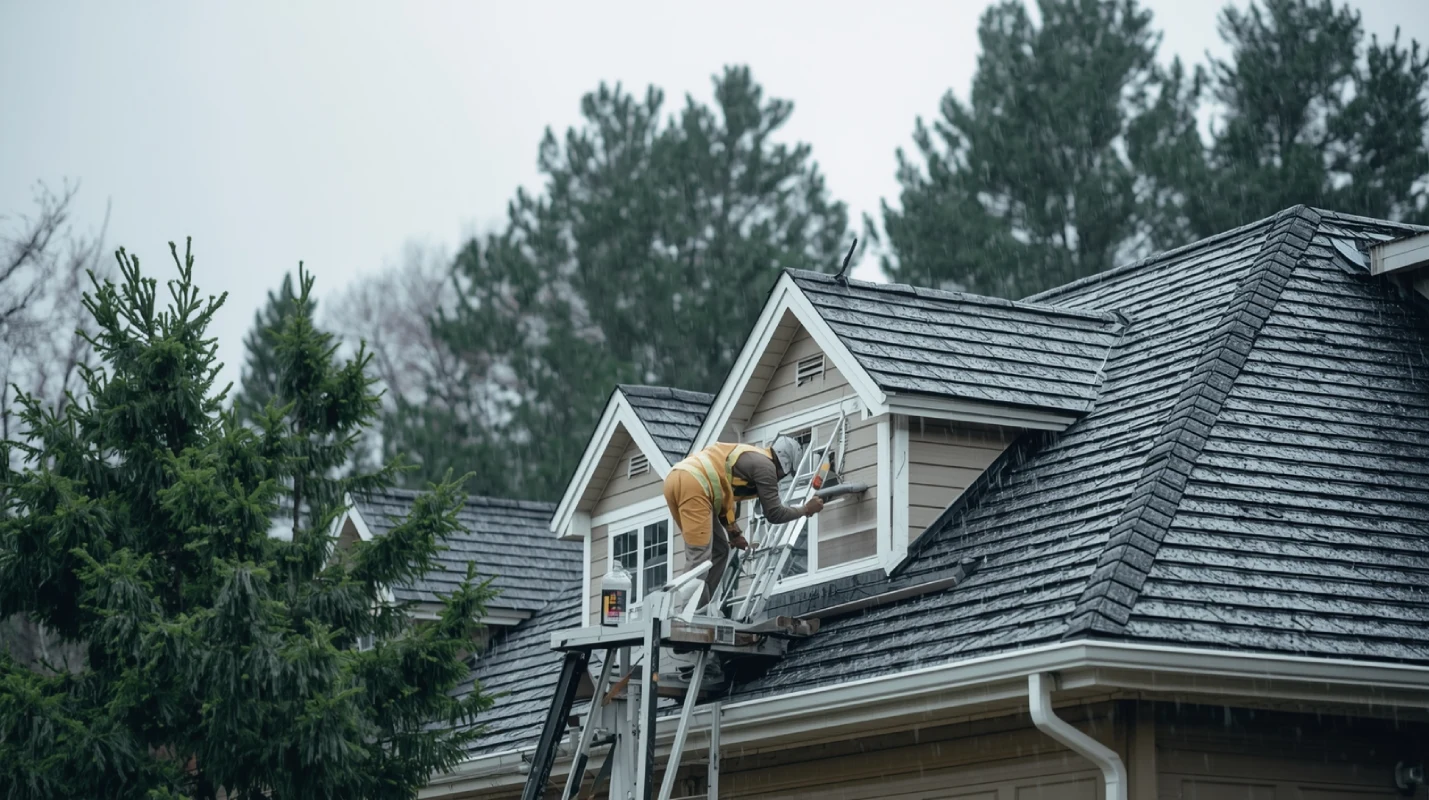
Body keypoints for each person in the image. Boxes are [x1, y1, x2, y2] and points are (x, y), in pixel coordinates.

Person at [663, 435, 825, 608]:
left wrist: (734, 534)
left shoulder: (752, 458)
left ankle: (699, 606)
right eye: (785, 474)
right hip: (696, 484)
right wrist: (806, 510)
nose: (781, 478)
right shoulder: (766, 466)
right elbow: (774, 514)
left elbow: (723, 499)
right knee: (699, 557)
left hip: (679, 479)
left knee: (720, 550)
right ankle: (684, 615)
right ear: (785, 463)